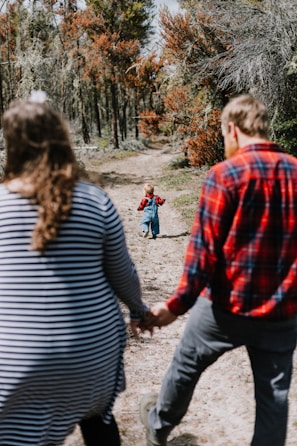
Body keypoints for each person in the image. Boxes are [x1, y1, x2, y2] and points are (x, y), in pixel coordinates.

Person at [140, 95, 297, 446]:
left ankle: (158, 426)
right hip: (282, 312)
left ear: (232, 129)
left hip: (225, 307)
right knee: (273, 402)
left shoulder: (224, 176)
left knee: (185, 366)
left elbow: (202, 257)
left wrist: (174, 307)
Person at [0, 95, 153, 446]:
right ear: (60, 138)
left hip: (14, 364)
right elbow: (123, 276)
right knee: (98, 419)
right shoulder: (95, 200)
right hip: (91, 358)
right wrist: (139, 311)